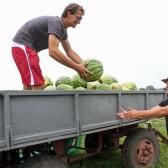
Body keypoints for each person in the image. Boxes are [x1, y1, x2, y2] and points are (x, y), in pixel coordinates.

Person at [12, 3, 90, 90]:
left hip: (23, 49)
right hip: (23, 47)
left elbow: (69, 51)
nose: (79, 22)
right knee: (38, 84)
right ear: (69, 14)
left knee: (29, 85)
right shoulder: (56, 23)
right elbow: (53, 51)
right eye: (78, 18)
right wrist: (76, 67)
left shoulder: (62, 30)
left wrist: (85, 66)